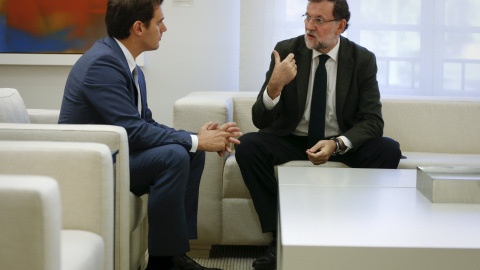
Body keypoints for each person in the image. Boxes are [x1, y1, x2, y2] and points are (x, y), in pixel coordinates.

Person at [58, 0, 242, 269]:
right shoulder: (103, 65)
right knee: (175, 156)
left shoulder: (125, 63)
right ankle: (162, 262)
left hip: (117, 155)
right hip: (90, 165)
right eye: (159, 22)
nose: (164, 28)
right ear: (138, 28)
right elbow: (133, 131)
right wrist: (195, 141)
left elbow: (145, 123)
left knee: (190, 153)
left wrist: (195, 139)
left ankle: (175, 255)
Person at [235, 0, 402, 269]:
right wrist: (274, 86)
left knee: (389, 149)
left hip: (338, 141)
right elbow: (260, 120)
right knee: (247, 145)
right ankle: (279, 237)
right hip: (292, 139)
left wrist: (337, 144)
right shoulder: (287, 51)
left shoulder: (362, 60)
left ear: (341, 26)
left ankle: (350, 232)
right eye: (307, 17)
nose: (309, 26)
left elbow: (373, 121)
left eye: (319, 20)